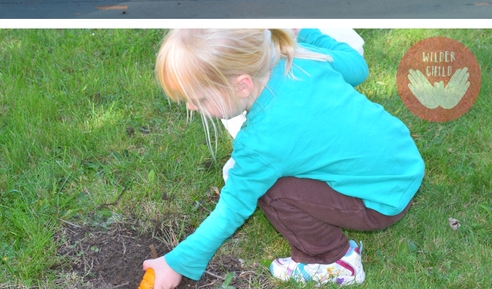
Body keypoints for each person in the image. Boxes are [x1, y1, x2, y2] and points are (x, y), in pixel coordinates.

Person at [142, 29, 424, 287]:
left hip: (380, 203)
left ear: (242, 85)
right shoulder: (299, 57)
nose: (192, 106)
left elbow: (232, 208)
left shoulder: (260, 143)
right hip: (404, 164)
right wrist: (304, 34)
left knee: (272, 192)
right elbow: (357, 67)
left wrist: (176, 262)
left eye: (200, 99)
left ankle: (333, 260)